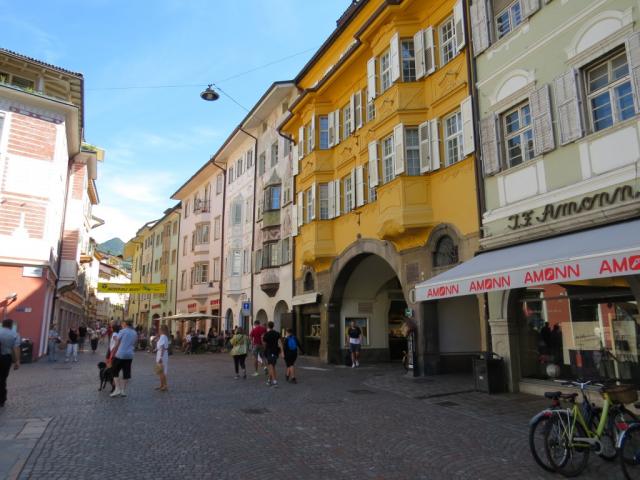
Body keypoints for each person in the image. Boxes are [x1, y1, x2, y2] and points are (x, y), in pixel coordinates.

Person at [110, 320, 137, 398]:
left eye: (122, 324)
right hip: (130, 355)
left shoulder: (122, 331)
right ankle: (123, 390)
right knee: (126, 372)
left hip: (120, 354)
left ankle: (117, 389)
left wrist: (113, 352)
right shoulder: (134, 332)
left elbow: (117, 343)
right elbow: (134, 343)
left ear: (125, 324)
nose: (121, 325)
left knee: (114, 370)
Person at [0, 319, 20, 407]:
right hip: (5, 358)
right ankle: (1, 399)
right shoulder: (15, 334)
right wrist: (17, 361)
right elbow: (15, 348)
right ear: (11, 325)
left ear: (2, 324)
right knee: (2, 378)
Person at [262, 321, 282, 387]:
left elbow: (264, 344)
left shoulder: (266, 334)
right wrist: (282, 351)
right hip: (276, 352)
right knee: (272, 366)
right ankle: (269, 380)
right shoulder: (277, 333)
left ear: (268, 326)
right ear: (273, 326)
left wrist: (264, 349)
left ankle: (275, 382)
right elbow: (279, 343)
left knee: (271, 366)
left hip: (269, 351)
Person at [155, 325, 170, 391]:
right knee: (160, 370)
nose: (159, 330)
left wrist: (161, 357)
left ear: (162, 330)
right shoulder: (162, 337)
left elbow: (163, 347)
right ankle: (162, 385)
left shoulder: (163, 337)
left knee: (162, 370)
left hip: (162, 354)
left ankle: (165, 385)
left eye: (159, 329)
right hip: (161, 353)